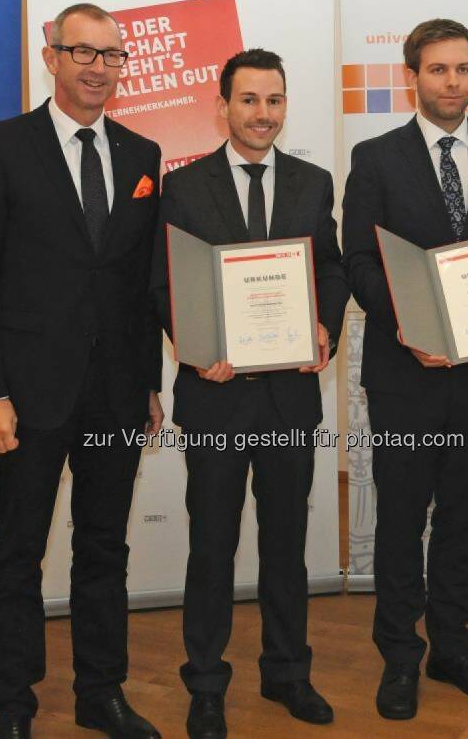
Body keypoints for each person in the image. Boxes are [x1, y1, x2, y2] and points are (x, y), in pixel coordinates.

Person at [0, 3, 164, 739]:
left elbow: (141, 284)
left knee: (104, 547)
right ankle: (13, 703)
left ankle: (101, 694)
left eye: (112, 55)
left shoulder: (142, 155)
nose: (99, 68)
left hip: (116, 397)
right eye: (83, 52)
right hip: (28, 395)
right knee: (20, 550)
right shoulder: (0, 146)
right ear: (51, 57)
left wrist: (149, 382)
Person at [149, 48, 349, 739]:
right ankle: (206, 684)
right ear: (223, 106)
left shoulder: (313, 183)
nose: (263, 114)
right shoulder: (183, 187)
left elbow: (330, 269)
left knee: (286, 546)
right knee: (211, 547)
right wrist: (196, 345)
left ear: (285, 105)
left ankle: (288, 673)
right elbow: (162, 284)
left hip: (289, 399)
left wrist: (323, 326)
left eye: (274, 100)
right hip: (217, 397)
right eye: (249, 100)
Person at [342, 19, 468, 720]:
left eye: (462, 68)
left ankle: (452, 648)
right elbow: (358, 261)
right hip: (407, 374)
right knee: (400, 520)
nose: (452, 82)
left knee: (464, 517)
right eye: (437, 69)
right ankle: (400, 656)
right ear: (412, 77)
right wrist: (408, 325)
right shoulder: (375, 158)